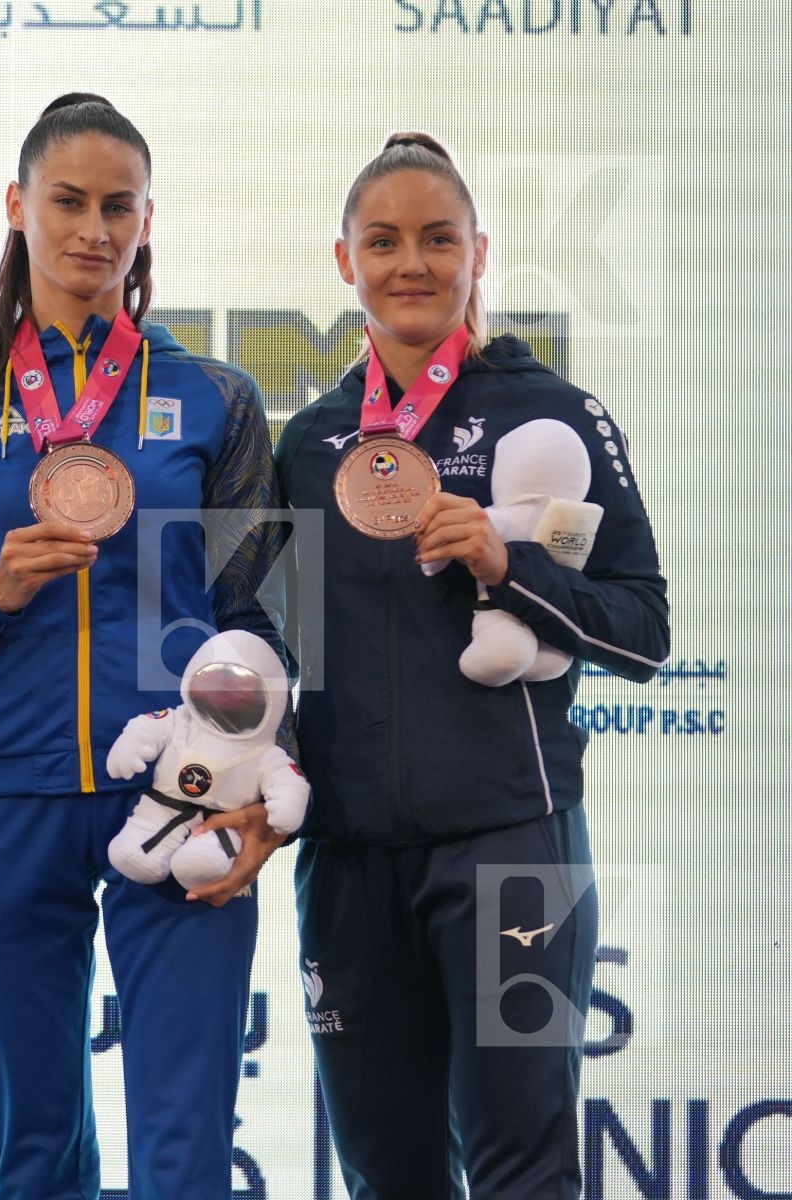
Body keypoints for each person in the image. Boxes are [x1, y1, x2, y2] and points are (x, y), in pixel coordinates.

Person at [0, 93, 292, 1199]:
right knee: (31, 1157)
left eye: (119, 206)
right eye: (67, 200)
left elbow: (261, 627)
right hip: (0, 805)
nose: (93, 229)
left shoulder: (217, 400)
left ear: (148, 219)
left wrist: (258, 788)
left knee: (184, 1152)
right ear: (17, 206)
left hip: (183, 793)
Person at [274, 132, 670, 1199]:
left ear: (478, 251)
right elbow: (262, 648)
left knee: (522, 1171)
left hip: (513, 850)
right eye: (385, 240)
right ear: (343, 260)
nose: (413, 263)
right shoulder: (306, 444)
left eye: (439, 238)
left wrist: (512, 568)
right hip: (350, 866)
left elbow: (644, 629)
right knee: (387, 1178)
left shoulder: (555, 415)